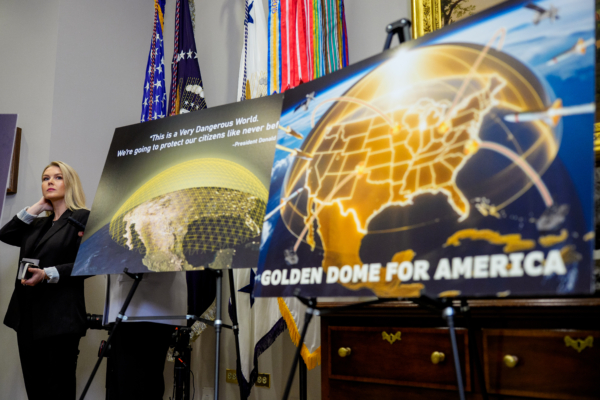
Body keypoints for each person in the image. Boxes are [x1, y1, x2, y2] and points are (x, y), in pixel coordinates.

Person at [0, 161, 89, 400]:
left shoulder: (82, 218)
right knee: (35, 390)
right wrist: (38, 206)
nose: (50, 182)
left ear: (70, 183)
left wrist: (48, 273)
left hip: (59, 319)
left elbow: (89, 263)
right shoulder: (39, 222)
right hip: (27, 317)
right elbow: (5, 234)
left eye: (58, 177)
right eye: (45, 178)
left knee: (57, 390)